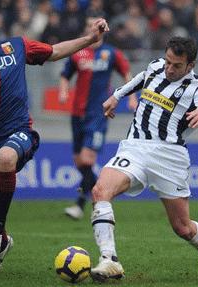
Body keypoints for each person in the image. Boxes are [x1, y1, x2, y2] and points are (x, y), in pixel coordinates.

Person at [0, 2, 108, 273]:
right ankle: (1, 242)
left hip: (20, 132)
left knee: (6, 158)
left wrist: (90, 39)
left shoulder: (16, 46)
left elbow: (54, 52)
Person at [88, 36, 198, 282]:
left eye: (176, 66)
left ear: (190, 66)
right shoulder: (156, 67)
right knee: (100, 191)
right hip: (135, 148)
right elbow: (141, 79)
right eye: (168, 62)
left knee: (182, 228)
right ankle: (110, 260)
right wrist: (117, 96)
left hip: (169, 157)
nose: (169, 69)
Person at [59, 15, 137, 220]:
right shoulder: (77, 54)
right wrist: (63, 90)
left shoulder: (111, 54)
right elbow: (65, 74)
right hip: (77, 114)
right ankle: (100, 192)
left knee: (87, 158)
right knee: (79, 162)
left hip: (98, 114)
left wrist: (132, 98)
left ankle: (80, 203)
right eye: (89, 26)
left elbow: (128, 75)